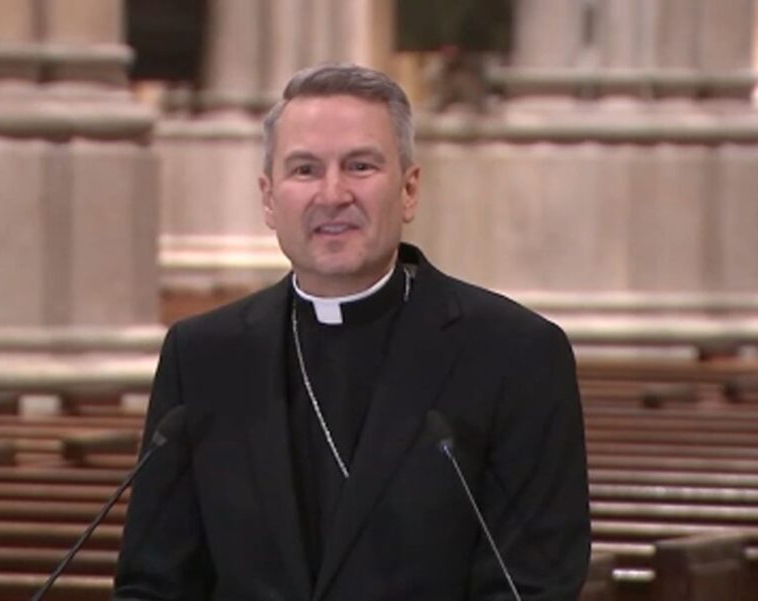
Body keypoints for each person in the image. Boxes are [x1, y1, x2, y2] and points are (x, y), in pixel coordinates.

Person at [113, 63, 591, 601]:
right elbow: (154, 584)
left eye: (360, 166)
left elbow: (532, 585)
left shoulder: (515, 355)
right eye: (305, 170)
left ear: (409, 190)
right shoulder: (203, 356)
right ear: (269, 199)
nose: (332, 194)